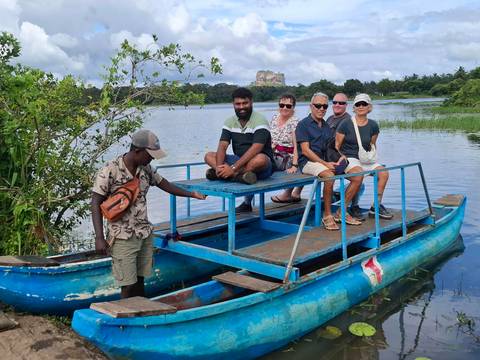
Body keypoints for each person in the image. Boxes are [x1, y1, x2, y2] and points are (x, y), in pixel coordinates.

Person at [91, 129, 206, 299]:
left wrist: (191, 194)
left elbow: (165, 184)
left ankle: (141, 315)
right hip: (122, 236)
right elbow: (95, 203)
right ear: (137, 151)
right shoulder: (110, 170)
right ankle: (127, 320)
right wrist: (99, 237)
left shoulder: (146, 169)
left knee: (140, 281)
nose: (152, 158)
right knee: (127, 285)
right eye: (150, 154)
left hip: (144, 234)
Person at [296, 92, 363, 231]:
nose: (321, 109)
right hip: (308, 162)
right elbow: (306, 150)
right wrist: (325, 164)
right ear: (311, 106)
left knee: (358, 175)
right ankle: (327, 215)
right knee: (329, 176)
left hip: (325, 161)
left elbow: (332, 147)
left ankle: (341, 212)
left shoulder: (326, 126)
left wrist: (340, 156)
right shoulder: (303, 124)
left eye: (324, 106)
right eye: (318, 106)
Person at [204, 87, 274, 213]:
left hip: (260, 165)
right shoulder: (230, 121)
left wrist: (233, 168)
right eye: (238, 104)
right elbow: (223, 145)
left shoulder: (260, 120)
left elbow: (257, 148)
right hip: (239, 162)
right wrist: (220, 166)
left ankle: (228, 175)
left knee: (260, 159)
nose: (241, 107)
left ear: (251, 102)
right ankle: (231, 175)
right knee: (208, 156)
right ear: (233, 104)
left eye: (245, 103)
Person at [335, 93, 393, 219]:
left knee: (384, 173)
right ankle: (342, 210)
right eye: (358, 104)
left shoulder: (373, 125)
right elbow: (337, 146)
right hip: (350, 158)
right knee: (358, 174)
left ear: (369, 107)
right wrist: (341, 158)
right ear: (354, 107)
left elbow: (372, 144)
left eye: (364, 104)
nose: (361, 106)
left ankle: (375, 207)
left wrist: (371, 159)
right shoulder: (345, 124)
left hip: (365, 159)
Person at [327, 92, 365, 220]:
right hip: (329, 157)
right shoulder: (330, 119)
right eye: (335, 102)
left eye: (341, 103)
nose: (337, 105)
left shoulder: (348, 121)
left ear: (346, 105)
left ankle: (347, 207)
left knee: (357, 176)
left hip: (343, 158)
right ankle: (294, 195)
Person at [269, 93, 303, 203]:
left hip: (288, 157)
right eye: (282, 105)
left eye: (288, 106)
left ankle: (288, 194)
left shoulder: (295, 122)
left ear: (293, 108)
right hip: (274, 153)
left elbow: (297, 146)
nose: (284, 108)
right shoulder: (274, 118)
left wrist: (294, 165)